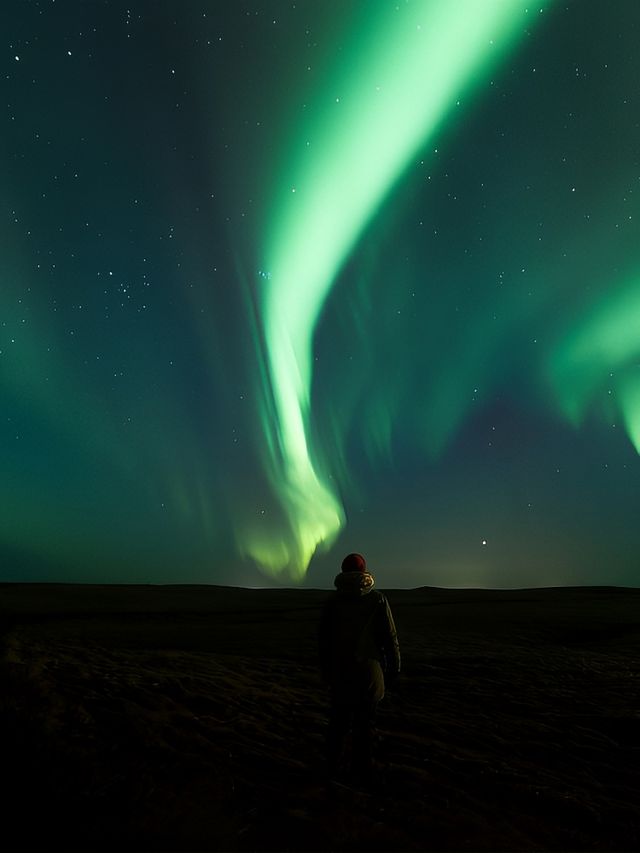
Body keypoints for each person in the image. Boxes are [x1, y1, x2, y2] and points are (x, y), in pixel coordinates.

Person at [318, 552, 400, 783]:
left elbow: (323, 641)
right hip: (369, 676)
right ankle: (361, 773)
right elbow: (390, 639)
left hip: (340, 675)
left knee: (338, 725)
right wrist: (394, 669)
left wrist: (326, 672)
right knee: (364, 728)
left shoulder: (332, 602)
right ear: (365, 572)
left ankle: (332, 770)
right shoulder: (377, 600)